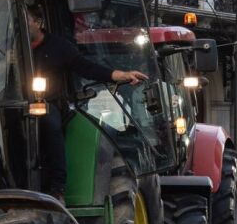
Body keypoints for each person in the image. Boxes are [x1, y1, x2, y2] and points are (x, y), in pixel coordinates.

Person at [27, 10, 148, 198]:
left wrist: (120, 75)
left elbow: (88, 68)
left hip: (49, 103)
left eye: (25, 19)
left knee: (48, 120)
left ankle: (57, 187)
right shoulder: (8, 47)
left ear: (37, 21)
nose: (20, 25)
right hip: (16, 105)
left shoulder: (58, 47)